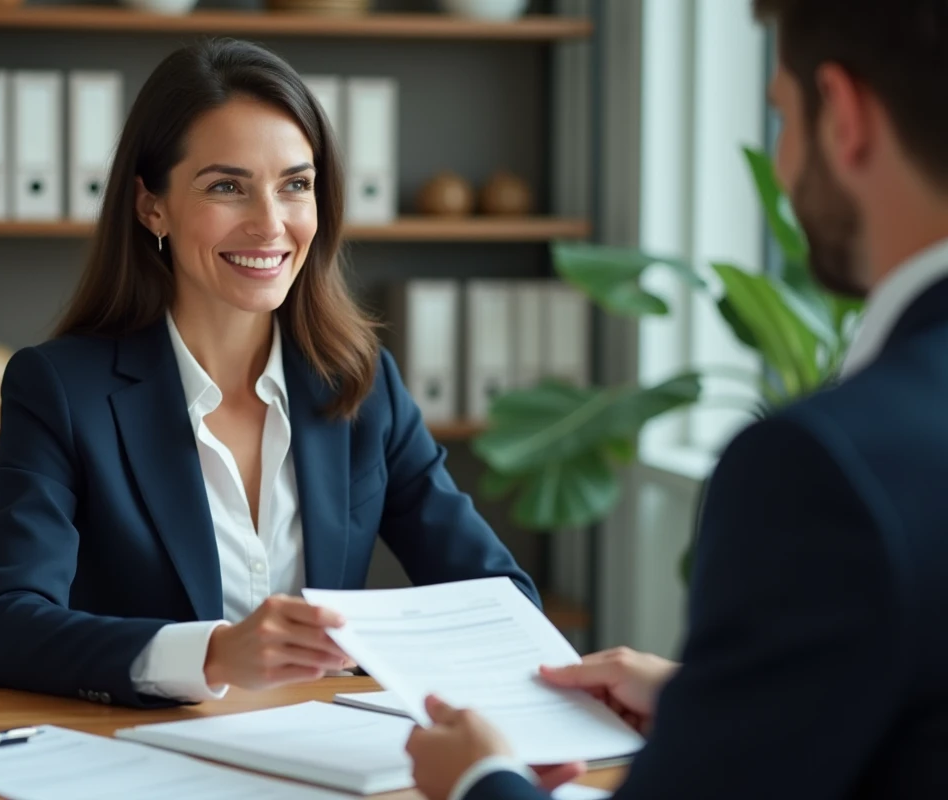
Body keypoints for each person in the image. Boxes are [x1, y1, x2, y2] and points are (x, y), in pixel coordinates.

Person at [406, 0, 948, 798]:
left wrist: (482, 779)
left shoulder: (823, 467)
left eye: (783, 121)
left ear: (845, 115)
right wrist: (716, 703)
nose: (786, 164)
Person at [0, 38, 539, 710]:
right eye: (227, 187)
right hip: (148, 759)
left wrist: (380, 646)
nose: (270, 225)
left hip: (323, 759)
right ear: (152, 206)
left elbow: (503, 600)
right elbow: (5, 629)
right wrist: (212, 653)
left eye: (295, 185)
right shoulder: (62, 391)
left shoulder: (361, 385)